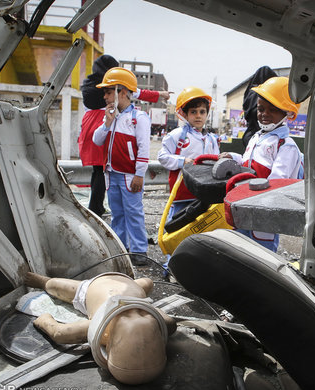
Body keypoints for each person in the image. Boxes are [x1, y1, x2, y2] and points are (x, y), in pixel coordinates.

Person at [24, 271, 177, 385]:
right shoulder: (104, 330)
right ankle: (44, 281)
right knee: (51, 285)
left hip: (118, 286)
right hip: (104, 286)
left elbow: (59, 333)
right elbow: (59, 333)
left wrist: (44, 321)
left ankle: (45, 281)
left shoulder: (155, 320)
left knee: (148, 282)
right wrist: (44, 320)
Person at [78, 55, 170, 217]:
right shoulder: (112, 89)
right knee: (102, 169)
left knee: (98, 170)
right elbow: (137, 93)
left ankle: (96, 207)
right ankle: (97, 207)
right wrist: (160, 94)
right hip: (105, 124)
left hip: (91, 129)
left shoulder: (88, 87)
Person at [219, 76, 302, 252]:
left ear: (287, 112)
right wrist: (232, 157)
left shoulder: (286, 145)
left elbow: (278, 181)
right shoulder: (257, 137)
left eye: (272, 110)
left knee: (262, 253)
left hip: (266, 211)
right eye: (261, 108)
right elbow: (245, 161)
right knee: (239, 249)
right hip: (245, 203)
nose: (264, 114)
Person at [92, 67, 152, 266]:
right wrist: (107, 123)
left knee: (133, 213)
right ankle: (120, 247)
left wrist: (139, 174)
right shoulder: (110, 116)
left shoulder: (139, 118)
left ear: (123, 92)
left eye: (109, 92)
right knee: (117, 213)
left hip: (129, 176)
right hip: (112, 174)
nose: (105, 96)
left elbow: (144, 148)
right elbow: (97, 140)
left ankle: (139, 250)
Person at [158, 87, 220, 216]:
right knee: (177, 226)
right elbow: (162, 156)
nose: (198, 116)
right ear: (185, 114)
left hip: (204, 193)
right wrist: (182, 161)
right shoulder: (177, 135)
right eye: (193, 112)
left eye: (202, 112)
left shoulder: (211, 139)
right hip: (182, 193)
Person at [241, 66, 277, 148]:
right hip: (263, 137)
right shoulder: (265, 94)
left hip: (249, 135)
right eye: (260, 109)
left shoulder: (250, 93)